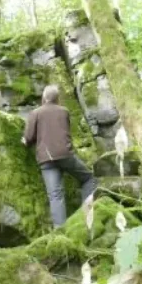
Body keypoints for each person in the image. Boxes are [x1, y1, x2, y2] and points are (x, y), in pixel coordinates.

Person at [22, 85, 97, 227]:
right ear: (58, 98)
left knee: (55, 195)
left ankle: (61, 231)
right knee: (88, 178)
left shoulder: (35, 113)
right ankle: (87, 215)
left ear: (44, 98)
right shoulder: (64, 111)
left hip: (46, 159)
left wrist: (24, 141)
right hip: (65, 155)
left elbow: (28, 137)